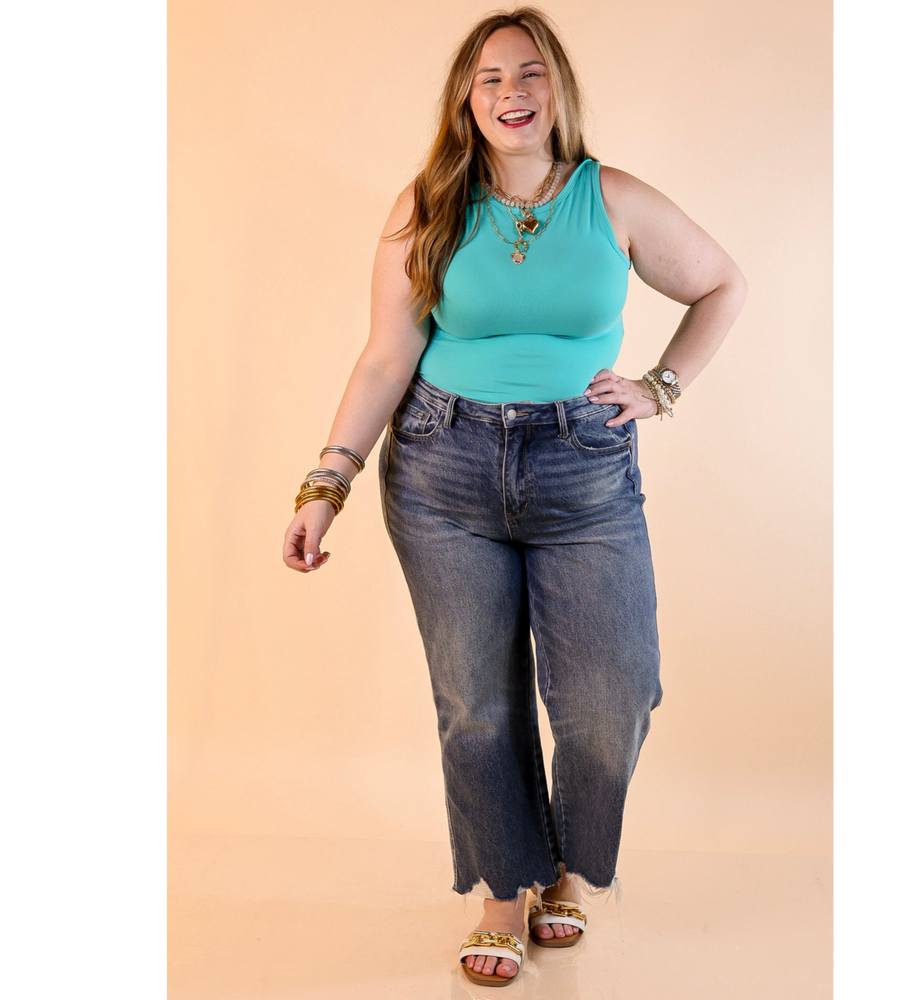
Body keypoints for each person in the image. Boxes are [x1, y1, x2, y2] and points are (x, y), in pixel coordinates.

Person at [283, 5, 747, 988]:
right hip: (441, 468)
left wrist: (661, 387)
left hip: (583, 468)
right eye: (489, 77)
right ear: (466, 97)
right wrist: (328, 480)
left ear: (557, 89)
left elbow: (721, 284)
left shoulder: (610, 198)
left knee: (608, 700)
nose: (511, 93)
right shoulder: (428, 205)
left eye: (529, 73)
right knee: (478, 709)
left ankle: (565, 867)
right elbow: (385, 357)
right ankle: (506, 890)